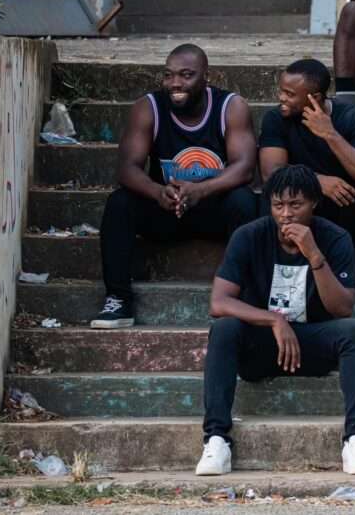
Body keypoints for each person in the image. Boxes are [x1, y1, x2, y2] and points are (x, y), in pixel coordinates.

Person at [197, 165, 355, 477]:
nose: (286, 214)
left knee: (353, 330)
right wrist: (274, 321)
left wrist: (314, 255)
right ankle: (216, 440)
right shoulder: (249, 236)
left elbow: (343, 308)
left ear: (314, 203)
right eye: (278, 205)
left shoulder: (334, 238)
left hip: (311, 344)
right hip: (264, 344)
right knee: (224, 328)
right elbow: (219, 302)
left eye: (296, 205)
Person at [92, 44, 257, 329]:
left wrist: (201, 190)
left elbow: (244, 168)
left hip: (212, 208)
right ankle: (118, 299)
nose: (175, 83)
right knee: (120, 202)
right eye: (168, 75)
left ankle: (244, 296)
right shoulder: (149, 107)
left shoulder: (231, 107)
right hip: (167, 207)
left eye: (186, 75)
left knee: (244, 201)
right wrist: (157, 192)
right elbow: (127, 168)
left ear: (207, 77)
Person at [258, 59, 355, 331]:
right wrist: (317, 182)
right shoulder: (276, 119)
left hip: (345, 207)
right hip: (302, 212)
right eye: (281, 91)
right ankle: (264, 293)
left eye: (290, 94)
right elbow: (271, 173)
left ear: (314, 98)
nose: (281, 98)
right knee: (268, 202)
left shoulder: (353, 117)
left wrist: (329, 134)